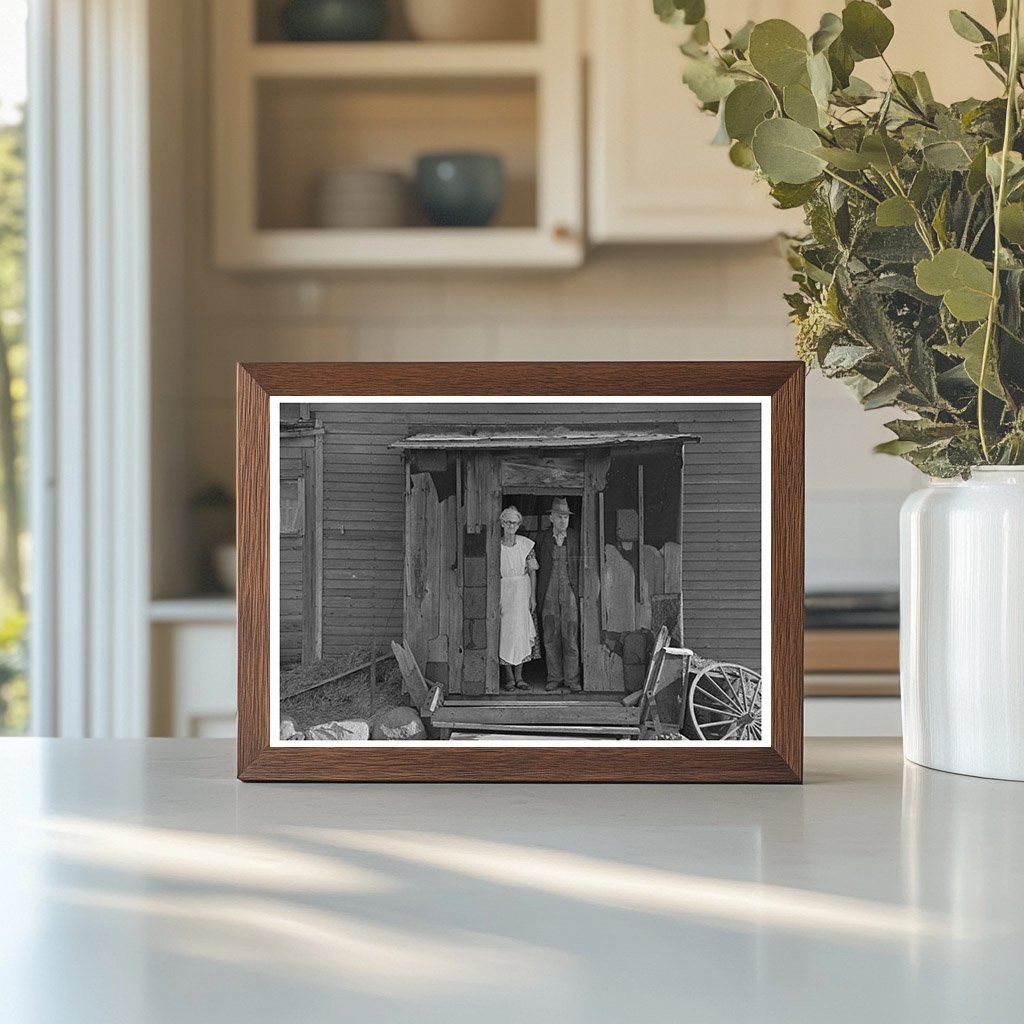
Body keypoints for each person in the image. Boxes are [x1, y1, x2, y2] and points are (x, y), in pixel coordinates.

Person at [534, 497, 582, 692]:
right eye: (559, 517)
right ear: (551, 518)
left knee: (570, 634)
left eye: (566, 517)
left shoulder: (575, 537)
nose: (563, 521)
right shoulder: (542, 538)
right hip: (548, 590)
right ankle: (554, 677)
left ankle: (572, 679)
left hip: (569, 589)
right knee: (550, 634)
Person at [498, 505, 538, 691]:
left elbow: (533, 572)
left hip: (523, 592)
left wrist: (533, 598)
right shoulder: (496, 546)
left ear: (519, 524)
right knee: (506, 634)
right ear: (502, 523)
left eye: (514, 522)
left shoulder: (526, 545)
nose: (510, 525)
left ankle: (520, 677)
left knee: (521, 632)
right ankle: (509, 678)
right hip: (505, 592)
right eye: (507, 522)